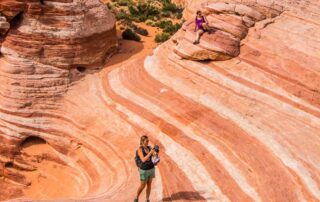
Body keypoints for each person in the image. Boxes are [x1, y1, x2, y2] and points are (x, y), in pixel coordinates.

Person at [134, 135, 158, 202]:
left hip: (151, 168)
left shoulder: (149, 148)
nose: (148, 142)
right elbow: (143, 160)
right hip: (144, 170)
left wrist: (156, 153)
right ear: (142, 141)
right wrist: (151, 153)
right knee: (142, 186)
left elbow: (154, 157)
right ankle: (136, 198)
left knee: (149, 185)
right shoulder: (139, 150)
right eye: (146, 141)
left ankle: (147, 199)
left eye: (148, 141)